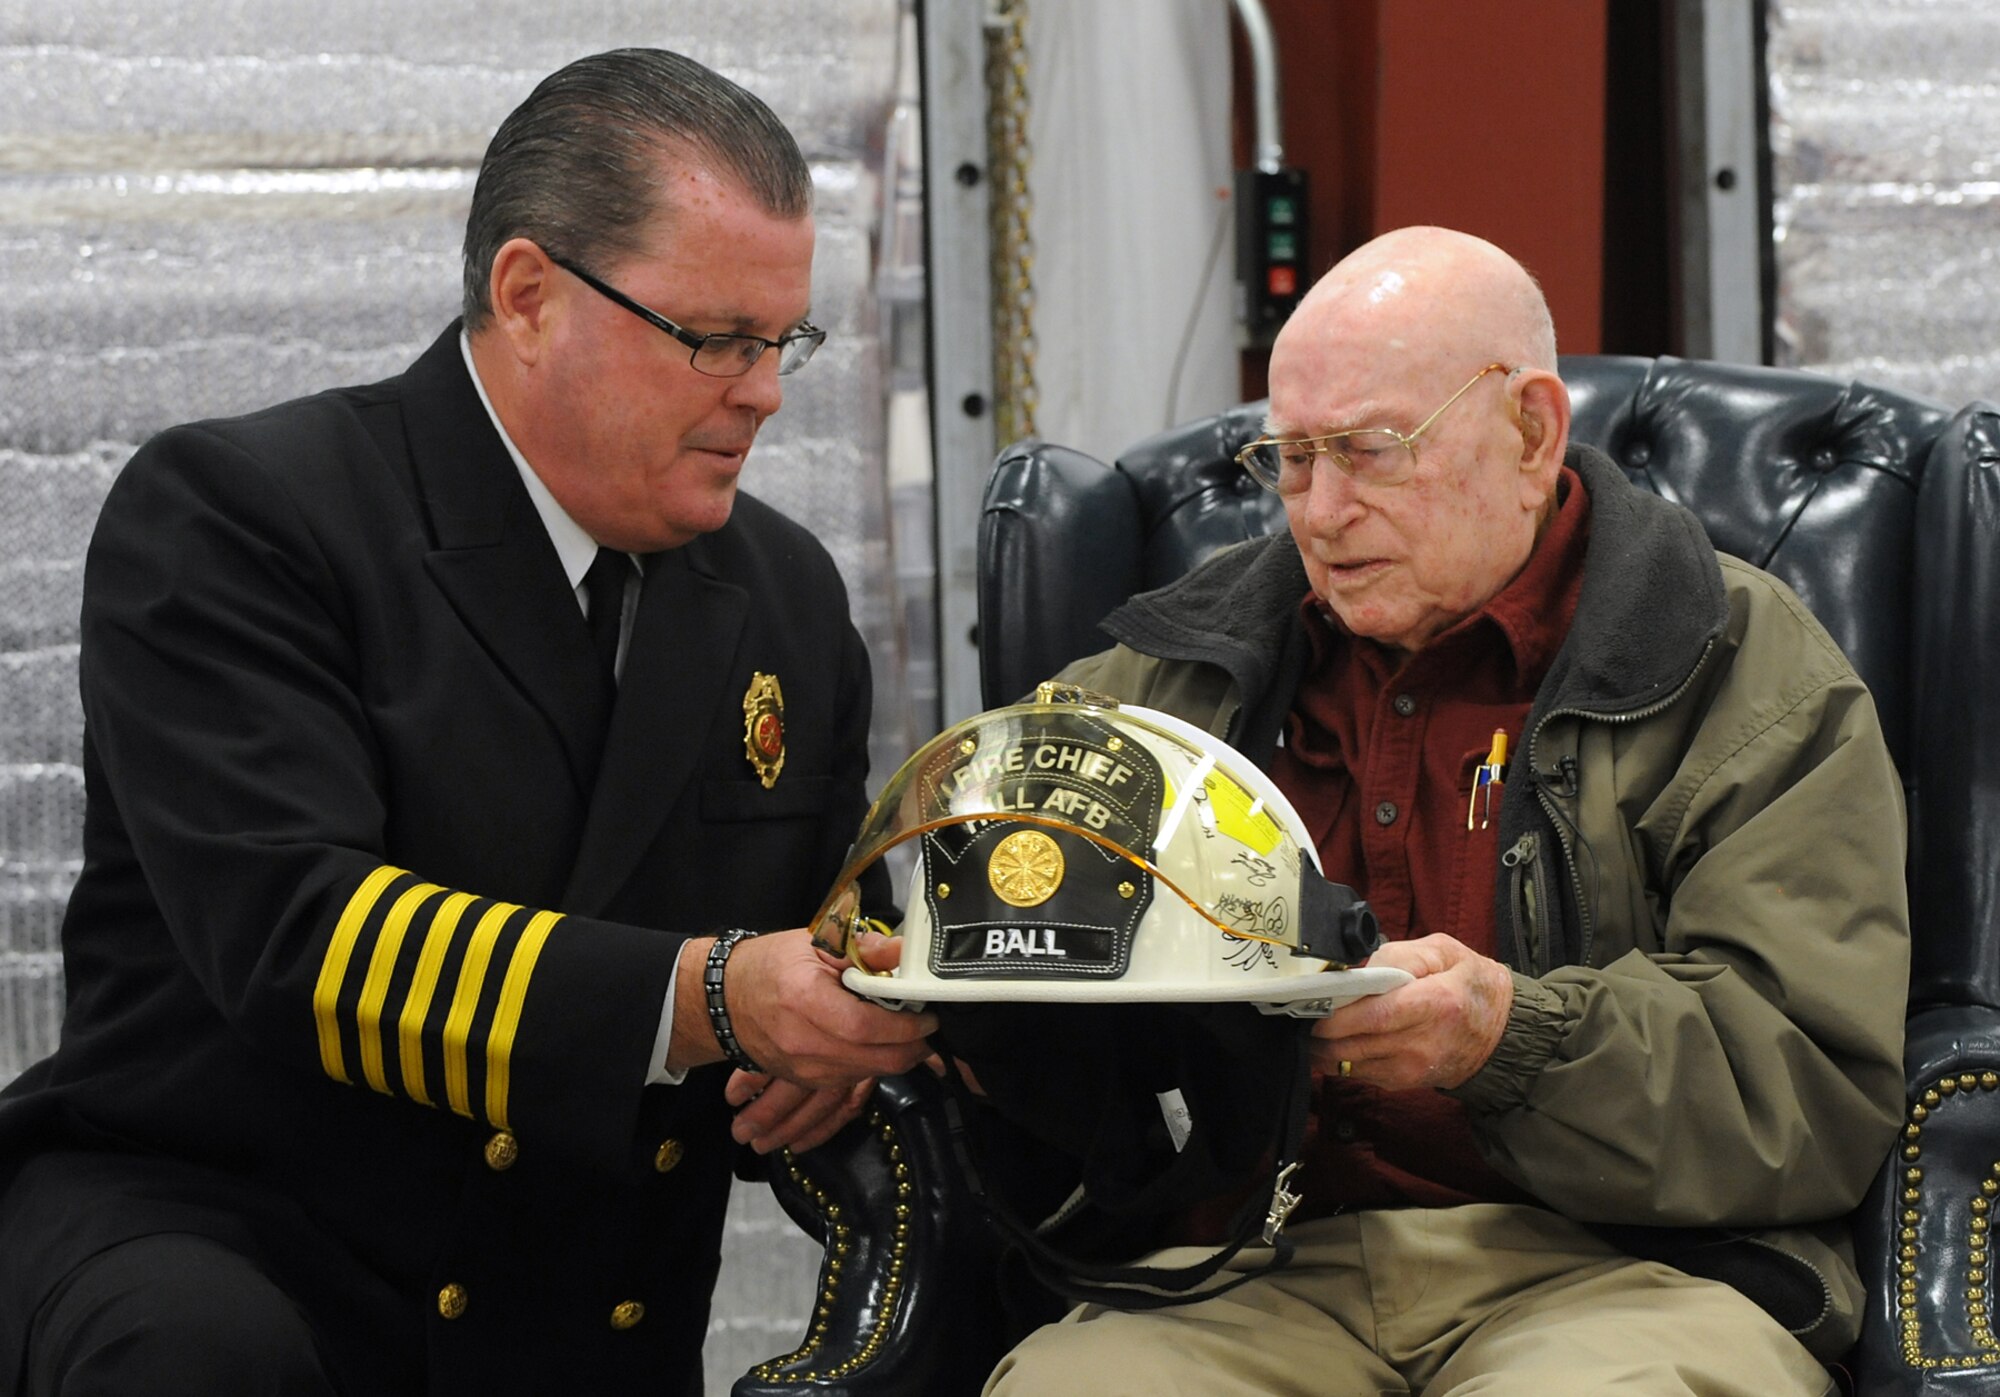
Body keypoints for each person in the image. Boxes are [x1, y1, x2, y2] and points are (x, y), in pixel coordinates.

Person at [0, 47, 934, 1397]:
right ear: (530, 293)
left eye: (782, 342)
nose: (765, 391)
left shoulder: (778, 595)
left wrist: (836, 1055)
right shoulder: (247, 515)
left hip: (575, 1286)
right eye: (715, 337)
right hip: (241, 1242)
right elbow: (302, 939)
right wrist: (713, 997)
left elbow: (811, 944)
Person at [982, 226, 1910, 1395]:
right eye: (1292, 458)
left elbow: (1807, 1084)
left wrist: (1503, 1034)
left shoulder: (1736, 663)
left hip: (1626, 1268)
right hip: (1235, 1270)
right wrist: (876, 977)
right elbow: (958, 852)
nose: (1318, 513)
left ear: (1530, 430)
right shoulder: (1172, 676)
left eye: (1369, 451)